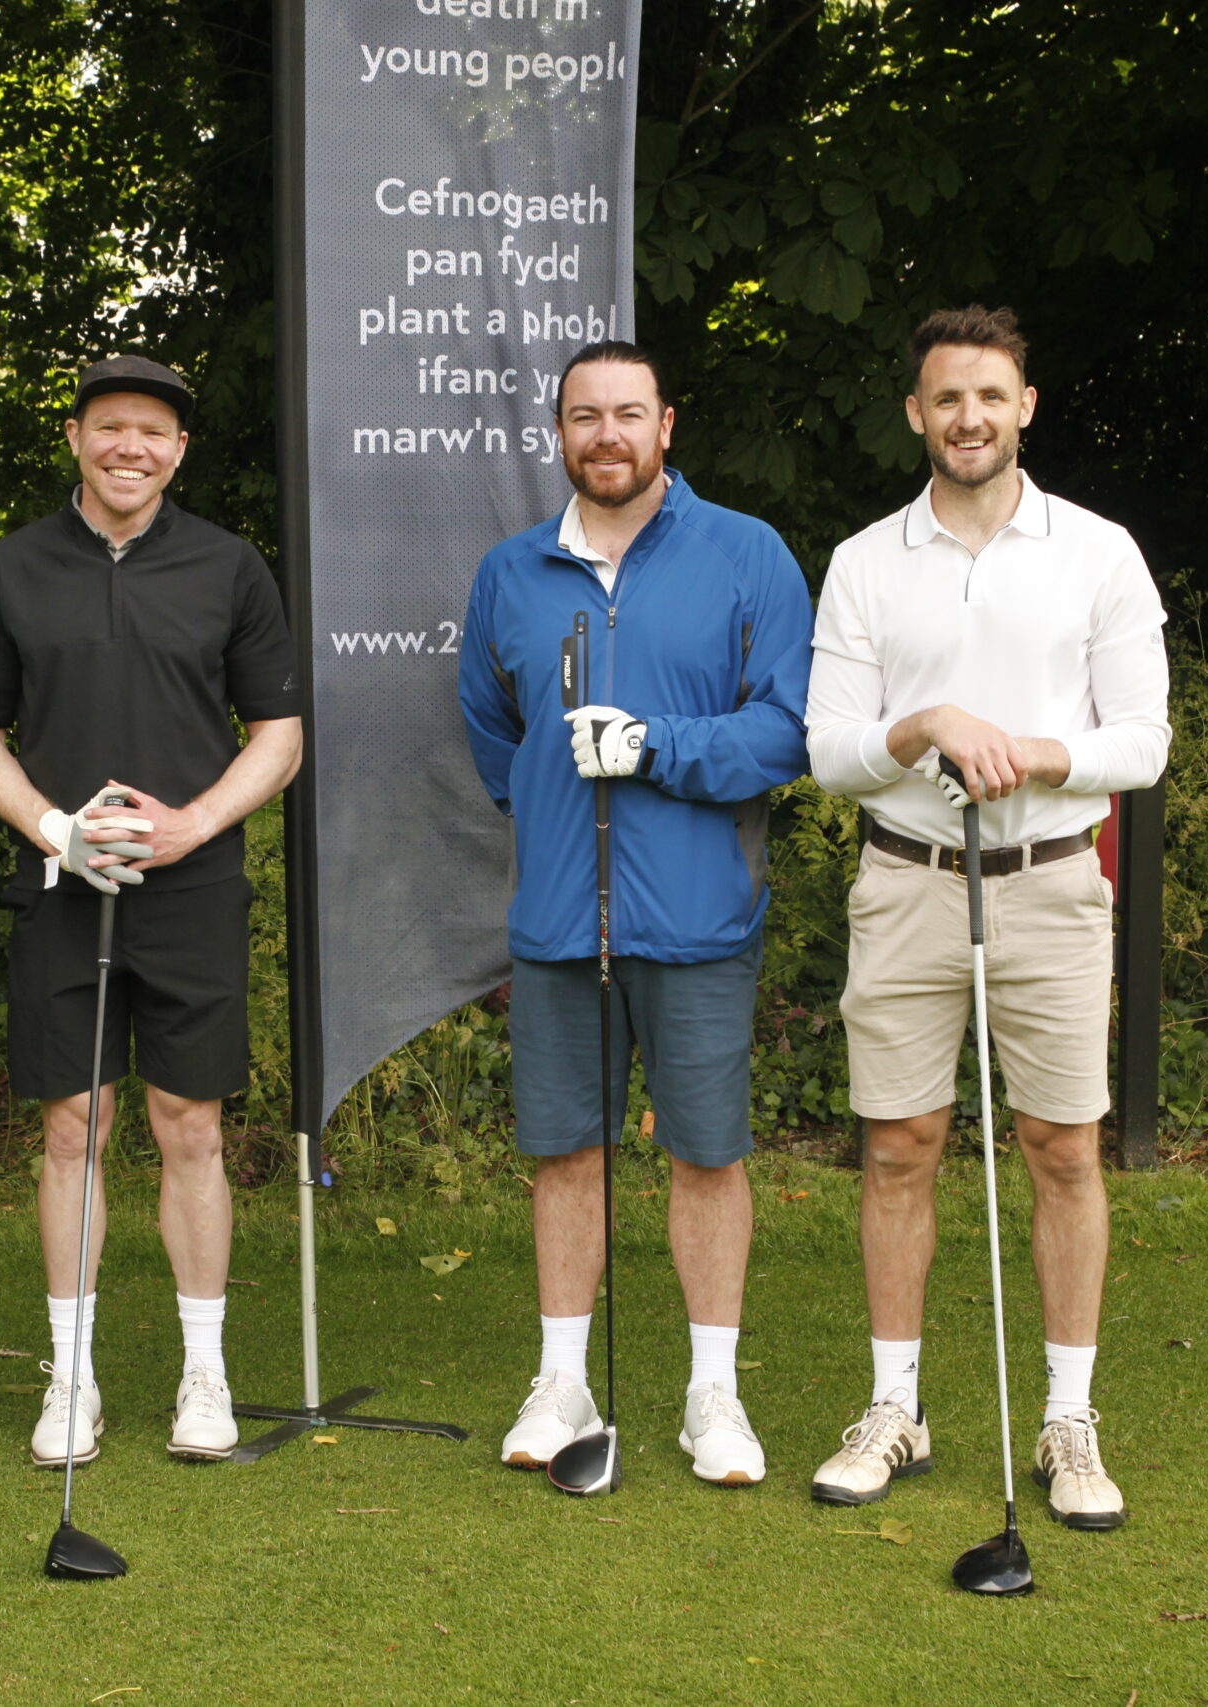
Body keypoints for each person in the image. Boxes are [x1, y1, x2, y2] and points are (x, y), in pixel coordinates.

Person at [804, 304, 1170, 1530]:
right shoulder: (865, 560)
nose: (968, 416)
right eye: (945, 398)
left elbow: (1141, 741)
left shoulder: (1099, 552)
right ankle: (894, 1406)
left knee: (1062, 1146)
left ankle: (1068, 1417)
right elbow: (830, 749)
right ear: (916, 414)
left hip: (1053, 882)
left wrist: (1030, 753)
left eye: (989, 396)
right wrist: (920, 728)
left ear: (1026, 406)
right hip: (906, 879)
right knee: (899, 1144)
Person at [457, 341, 816, 1486]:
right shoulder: (511, 572)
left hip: (698, 914)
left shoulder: (744, 554)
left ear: (668, 425)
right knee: (565, 1153)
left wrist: (658, 749)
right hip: (562, 917)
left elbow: (787, 729)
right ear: (557, 433)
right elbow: (488, 735)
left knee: (706, 1155)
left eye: (627, 414)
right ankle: (562, 1379)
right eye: (582, 417)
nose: (604, 435)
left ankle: (713, 1392)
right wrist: (561, 809)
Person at [0, 356, 302, 1467]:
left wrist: (192, 823)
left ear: (179, 450)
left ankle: (206, 1374)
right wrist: (53, 831)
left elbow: (279, 735)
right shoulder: (10, 570)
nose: (129, 449)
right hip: (63, 884)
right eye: (110, 429)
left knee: (189, 1127)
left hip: (190, 885)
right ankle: (72, 1380)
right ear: (74, 437)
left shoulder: (228, 565)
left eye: (152, 433)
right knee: (73, 1130)